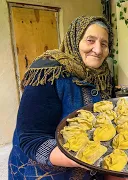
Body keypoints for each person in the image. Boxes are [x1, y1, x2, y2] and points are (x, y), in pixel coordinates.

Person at [8, 15, 115, 179]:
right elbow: (30, 139)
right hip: (44, 173)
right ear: (75, 40)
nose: (98, 50)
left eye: (104, 44)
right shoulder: (48, 72)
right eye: (90, 40)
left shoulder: (102, 75)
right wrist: (85, 158)